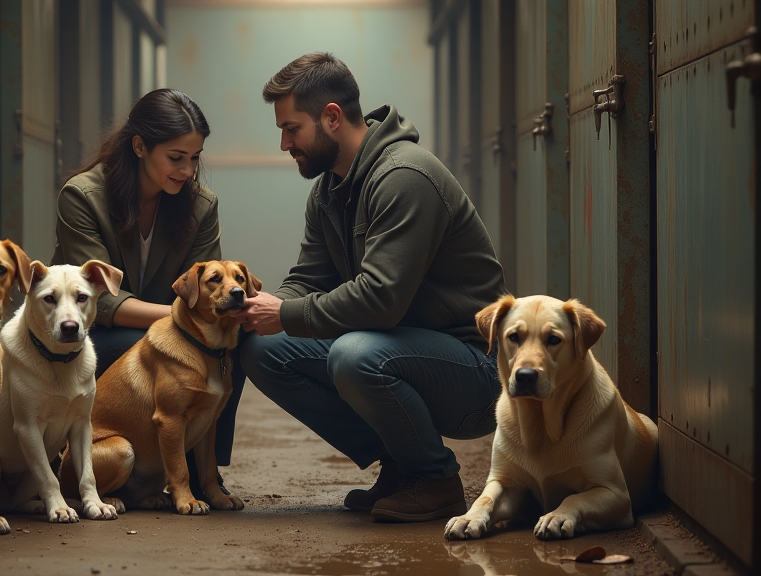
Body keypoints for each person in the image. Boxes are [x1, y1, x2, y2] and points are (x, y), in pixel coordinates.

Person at [235, 53, 506, 523]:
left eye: (291, 128)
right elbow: (308, 278)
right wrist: (260, 311)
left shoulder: (405, 177)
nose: (284, 143)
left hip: (474, 373)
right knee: (264, 349)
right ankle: (401, 463)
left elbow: (380, 300)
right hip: (401, 349)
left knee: (354, 354)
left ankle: (435, 480)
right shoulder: (328, 190)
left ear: (332, 117)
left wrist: (287, 313)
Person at [51, 88, 243, 490]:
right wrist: (183, 319)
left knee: (230, 346)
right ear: (139, 146)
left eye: (195, 158)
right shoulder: (83, 197)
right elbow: (100, 300)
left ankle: (205, 472)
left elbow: (212, 294)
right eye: (176, 158)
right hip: (93, 333)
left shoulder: (201, 206)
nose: (188, 170)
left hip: (173, 329)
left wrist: (213, 316)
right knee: (149, 345)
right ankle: (83, 457)